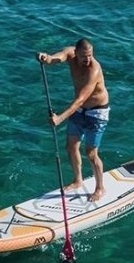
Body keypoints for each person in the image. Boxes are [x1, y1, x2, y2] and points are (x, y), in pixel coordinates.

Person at [37, 38, 110, 201]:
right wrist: (46, 58)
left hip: (97, 112)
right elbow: (57, 58)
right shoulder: (70, 54)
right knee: (71, 146)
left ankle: (100, 188)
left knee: (91, 153)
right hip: (80, 110)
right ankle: (78, 180)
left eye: (90, 55)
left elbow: (80, 99)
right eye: (84, 56)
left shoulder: (94, 70)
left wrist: (60, 118)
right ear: (75, 53)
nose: (87, 59)